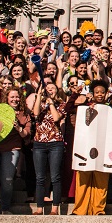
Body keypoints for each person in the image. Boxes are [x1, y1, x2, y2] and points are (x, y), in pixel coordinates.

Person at [0, 88, 32, 214]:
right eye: (12, 97)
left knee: (7, 180)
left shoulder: (24, 114)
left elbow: (26, 134)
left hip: (12, 148)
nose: (15, 99)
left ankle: (5, 208)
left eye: (17, 97)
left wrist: (19, 129)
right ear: (6, 98)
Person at [72, 80, 112, 215]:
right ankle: (80, 209)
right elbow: (71, 111)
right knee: (83, 179)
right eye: (97, 92)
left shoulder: (110, 109)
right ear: (92, 94)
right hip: (85, 147)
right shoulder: (86, 108)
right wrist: (86, 105)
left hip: (103, 149)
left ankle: (98, 209)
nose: (100, 95)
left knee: (101, 180)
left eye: (102, 92)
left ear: (106, 94)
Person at [31, 81, 66, 215]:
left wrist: (51, 102)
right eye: (48, 88)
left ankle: (55, 208)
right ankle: (40, 207)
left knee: (55, 176)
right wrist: (39, 95)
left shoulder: (61, 104)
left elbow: (56, 118)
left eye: (53, 88)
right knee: (40, 177)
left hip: (55, 142)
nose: (50, 90)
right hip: (39, 142)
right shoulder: (40, 103)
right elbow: (35, 114)